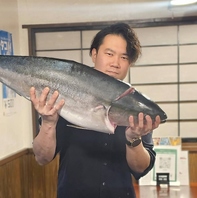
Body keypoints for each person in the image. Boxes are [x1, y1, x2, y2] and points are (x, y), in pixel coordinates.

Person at [31, 23, 161, 198]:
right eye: (109, 54)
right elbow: (42, 158)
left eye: (124, 57)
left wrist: (133, 139)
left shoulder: (137, 107)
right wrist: (48, 122)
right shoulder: (65, 96)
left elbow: (141, 169)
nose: (115, 63)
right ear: (94, 54)